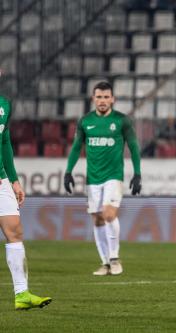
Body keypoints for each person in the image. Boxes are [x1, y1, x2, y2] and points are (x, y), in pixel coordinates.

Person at [64, 81, 142, 276]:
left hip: (113, 176)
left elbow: (133, 147)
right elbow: (75, 148)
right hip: (93, 179)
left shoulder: (122, 121)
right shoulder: (85, 121)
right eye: (99, 97)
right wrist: (68, 172)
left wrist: (137, 173)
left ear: (112, 99)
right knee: (97, 220)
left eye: (106, 97)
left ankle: (115, 258)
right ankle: (105, 263)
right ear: (93, 99)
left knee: (108, 214)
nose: (103, 101)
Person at [0, 84, 52, 309]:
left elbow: (4, 142)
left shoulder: (4, 104)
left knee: (14, 230)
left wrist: (13, 180)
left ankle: (21, 294)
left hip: (1, 178)